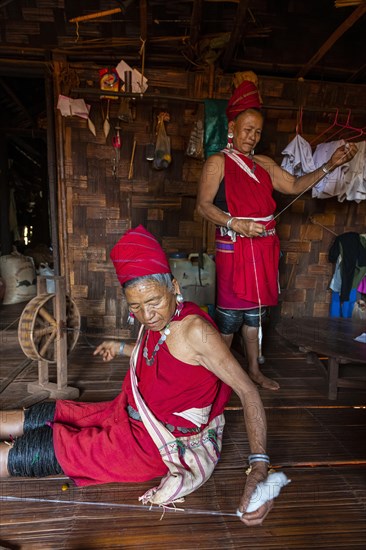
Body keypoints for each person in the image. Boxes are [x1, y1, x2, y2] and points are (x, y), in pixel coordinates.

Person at [0, 225, 274, 526]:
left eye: (154, 302)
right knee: (57, 412)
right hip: (125, 412)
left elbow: (248, 391)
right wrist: (119, 347)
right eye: (136, 307)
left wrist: (259, 466)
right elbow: (162, 358)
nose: (147, 315)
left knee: (50, 449)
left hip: (152, 443)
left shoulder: (196, 332)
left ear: (174, 287)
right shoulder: (157, 323)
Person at [196, 79, 358, 391]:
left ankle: (254, 370)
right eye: (246, 129)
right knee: (230, 314)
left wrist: (329, 165)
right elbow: (203, 206)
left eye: (257, 131)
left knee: (256, 312)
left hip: (263, 248)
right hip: (233, 246)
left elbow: (296, 186)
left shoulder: (265, 164)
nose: (252, 136)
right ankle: (220, 375)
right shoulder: (217, 163)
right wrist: (235, 223)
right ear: (232, 126)